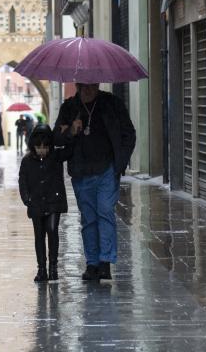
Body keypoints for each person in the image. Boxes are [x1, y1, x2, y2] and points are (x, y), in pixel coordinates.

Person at [53, 83, 135, 282]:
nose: (89, 90)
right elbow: (56, 137)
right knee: (89, 218)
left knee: (105, 211)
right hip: (81, 171)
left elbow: (128, 133)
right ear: (78, 86)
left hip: (107, 169)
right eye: (84, 87)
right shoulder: (69, 108)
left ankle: (105, 262)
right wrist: (71, 130)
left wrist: (120, 163)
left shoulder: (111, 103)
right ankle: (92, 263)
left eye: (93, 86)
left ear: (98, 85)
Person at [18, 125, 68, 282]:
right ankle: (41, 269)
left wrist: (66, 132)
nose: (42, 151)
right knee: (39, 235)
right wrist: (27, 199)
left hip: (54, 201)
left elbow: (70, 148)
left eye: (45, 147)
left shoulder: (56, 157)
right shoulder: (27, 161)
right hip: (36, 203)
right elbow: (22, 181)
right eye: (38, 147)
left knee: (52, 231)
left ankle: (53, 267)